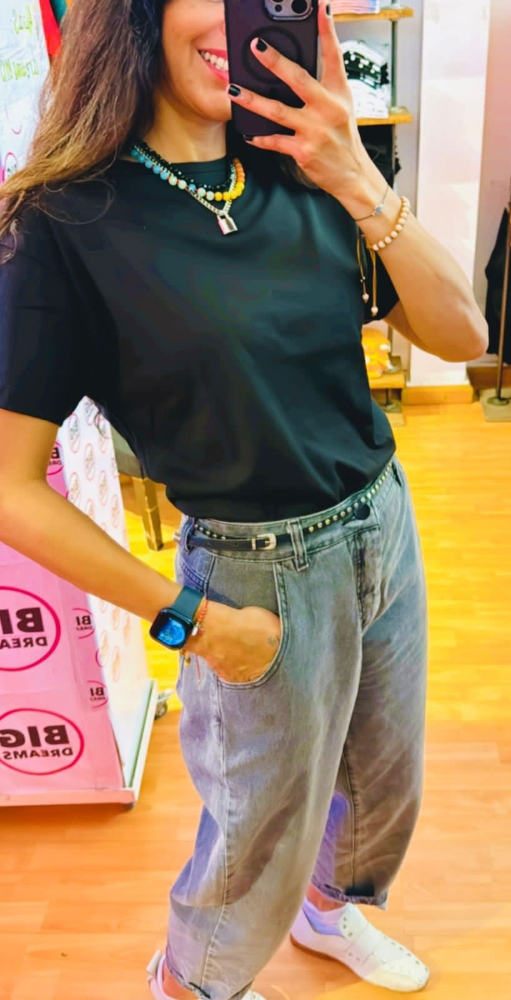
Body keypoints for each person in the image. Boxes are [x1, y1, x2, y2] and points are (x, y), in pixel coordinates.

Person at [0, 0, 488, 998]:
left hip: (381, 519)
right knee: (259, 822)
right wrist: (189, 619)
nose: (237, 16)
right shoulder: (67, 221)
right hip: (253, 572)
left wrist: (355, 175)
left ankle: (327, 912)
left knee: (380, 776)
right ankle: (193, 979)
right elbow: (9, 489)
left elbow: (463, 336)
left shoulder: (305, 167)